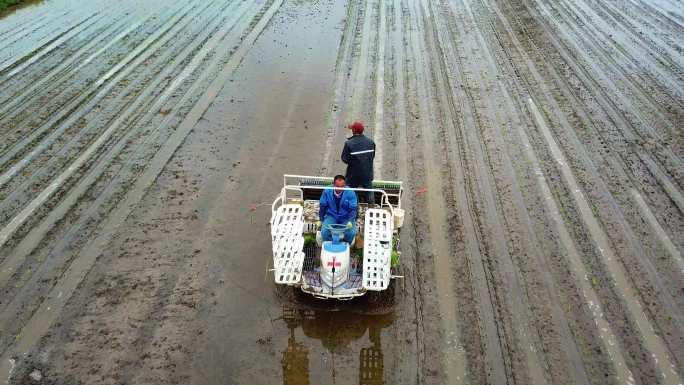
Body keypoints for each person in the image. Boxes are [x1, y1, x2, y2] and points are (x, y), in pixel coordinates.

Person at [341, 121, 375, 203]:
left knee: (352, 191)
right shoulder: (371, 142)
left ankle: (355, 207)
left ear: (353, 131)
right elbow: (372, 156)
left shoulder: (349, 143)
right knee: (369, 190)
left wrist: (354, 162)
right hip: (367, 174)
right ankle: (371, 205)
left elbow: (344, 159)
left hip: (353, 175)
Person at [318, 175, 358, 243]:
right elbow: (322, 206)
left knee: (351, 233)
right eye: (337, 186)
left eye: (342, 186)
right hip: (331, 215)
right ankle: (330, 243)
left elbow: (353, 209)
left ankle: (346, 244)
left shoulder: (351, 192)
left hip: (346, 217)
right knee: (324, 232)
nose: (340, 189)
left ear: (345, 185)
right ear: (333, 185)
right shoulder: (327, 190)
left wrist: (350, 220)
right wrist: (321, 219)